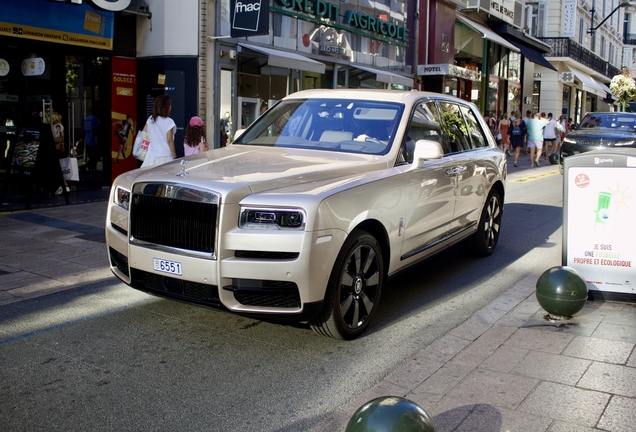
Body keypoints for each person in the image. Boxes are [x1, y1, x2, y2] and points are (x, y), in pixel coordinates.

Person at [141, 94, 177, 167]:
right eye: (169, 105)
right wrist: (174, 156)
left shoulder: (151, 119)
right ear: (165, 107)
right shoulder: (169, 122)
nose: (170, 107)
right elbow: (170, 140)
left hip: (151, 156)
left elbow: (144, 133)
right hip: (165, 156)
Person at [51, 111, 70, 195]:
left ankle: (63, 184)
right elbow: (62, 137)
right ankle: (65, 185)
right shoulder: (60, 126)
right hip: (59, 147)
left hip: (55, 147)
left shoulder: (52, 126)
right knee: (60, 166)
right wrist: (62, 145)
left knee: (57, 168)